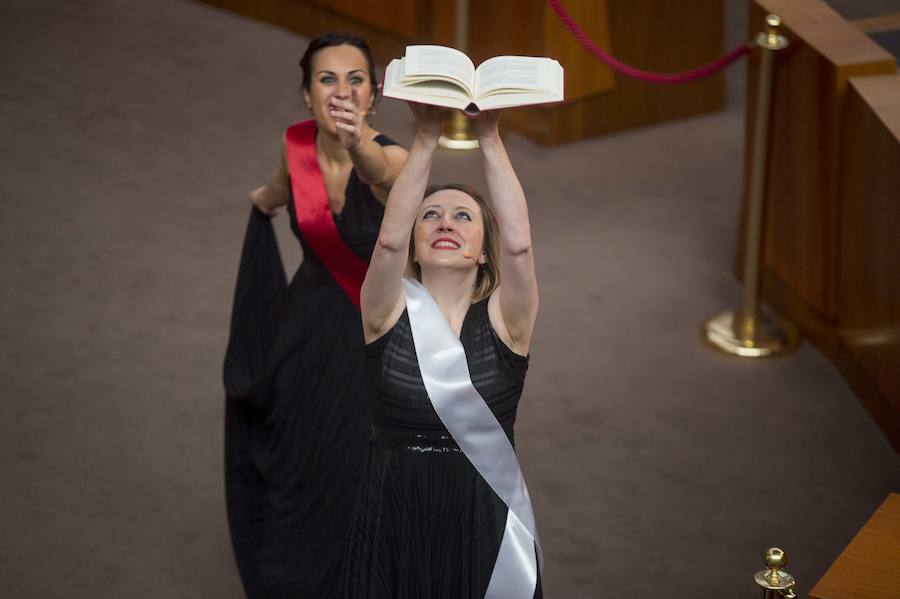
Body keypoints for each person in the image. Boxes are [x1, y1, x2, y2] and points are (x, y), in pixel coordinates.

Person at [223, 32, 407, 599]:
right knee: (299, 449)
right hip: (308, 318)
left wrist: (357, 146)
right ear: (306, 94)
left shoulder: (393, 159)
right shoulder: (296, 145)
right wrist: (262, 201)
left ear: (373, 94)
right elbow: (277, 192)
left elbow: (379, 173)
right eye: (327, 79)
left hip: (372, 331)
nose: (342, 91)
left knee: (352, 462)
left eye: (356, 80)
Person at [339, 102, 542, 598]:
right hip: (395, 508)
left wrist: (489, 137)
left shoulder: (508, 321)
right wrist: (425, 138)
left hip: (479, 512)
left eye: (462, 217)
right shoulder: (383, 310)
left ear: (482, 248)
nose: (445, 223)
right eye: (430, 216)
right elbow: (387, 244)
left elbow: (519, 247)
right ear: (415, 242)